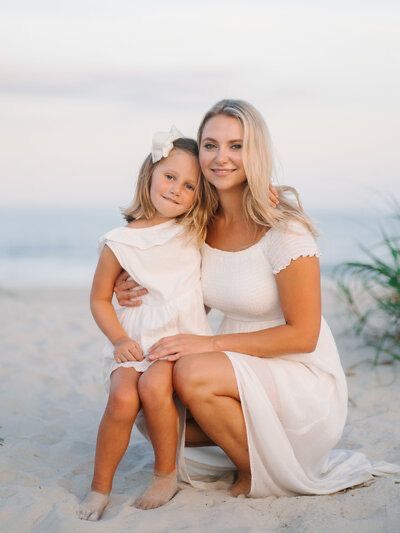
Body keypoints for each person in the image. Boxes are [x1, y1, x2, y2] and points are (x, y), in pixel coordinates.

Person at [115, 99, 398, 498]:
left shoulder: (285, 228)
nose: (221, 157)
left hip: (297, 372)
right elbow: (188, 295)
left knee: (191, 373)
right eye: (211, 145)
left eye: (236, 146)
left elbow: (304, 335)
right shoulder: (199, 222)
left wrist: (209, 344)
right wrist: (128, 284)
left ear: (256, 152)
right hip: (235, 363)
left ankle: (258, 474)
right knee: (150, 402)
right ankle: (249, 448)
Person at [77, 129, 219, 521]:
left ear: (199, 197)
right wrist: (119, 338)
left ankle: (164, 474)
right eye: (170, 176)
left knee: (155, 385)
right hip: (135, 340)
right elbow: (99, 297)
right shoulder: (118, 242)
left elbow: (239, 205)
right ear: (150, 174)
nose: (176, 189)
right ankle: (99, 488)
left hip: (177, 338)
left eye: (190, 186)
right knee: (122, 396)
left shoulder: (194, 230)